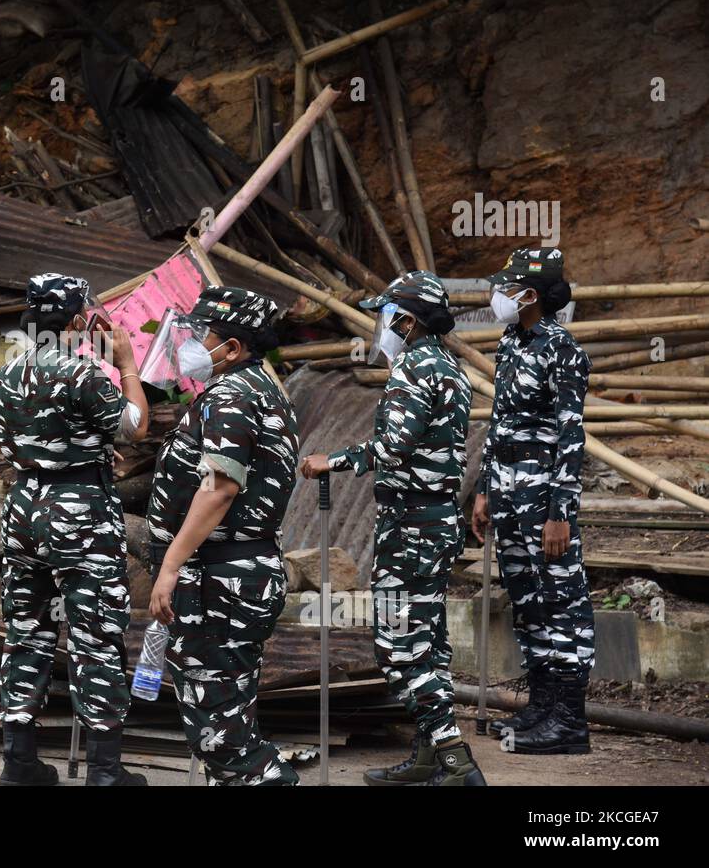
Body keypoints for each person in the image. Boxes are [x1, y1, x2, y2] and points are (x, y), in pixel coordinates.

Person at [301, 271, 486, 786]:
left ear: (406, 321)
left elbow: (391, 449)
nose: (382, 325)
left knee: (397, 642)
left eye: (386, 315)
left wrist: (330, 460)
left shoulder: (413, 369)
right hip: (436, 520)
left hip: (410, 524)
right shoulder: (449, 366)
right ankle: (428, 757)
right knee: (427, 641)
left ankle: (454, 758)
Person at [0, 273, 150, 786]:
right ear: (79, 319)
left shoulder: (4, 375)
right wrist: (125, 363)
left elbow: (10, 444)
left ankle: (19, 763)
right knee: (96, 636)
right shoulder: (84, 374)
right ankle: (104, 771)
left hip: (24, 509)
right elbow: (136, 425)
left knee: (26, 632)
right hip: (79, 515)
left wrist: (80, 447)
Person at [146, 286, 301, 786]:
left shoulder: (233, 395)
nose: (188, 345)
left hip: (219, 579)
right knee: (230, 712)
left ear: (232, 348)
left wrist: (170, 565)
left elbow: (220, 487)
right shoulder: (255, 388)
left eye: (199, 336)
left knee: (220, 731)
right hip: (232, 577)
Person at [471, 247, 594, 754]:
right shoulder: (511, 341)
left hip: (544, 499)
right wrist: (483, 488)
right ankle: (543, 706)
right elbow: (499, 424)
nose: (499, 295)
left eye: (509, 287)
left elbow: (571, 434)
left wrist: (560, 512)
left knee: (562, 604)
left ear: (533, 296)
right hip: (508, 495)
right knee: (530, 603)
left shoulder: (560, 348)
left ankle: (569, 721)